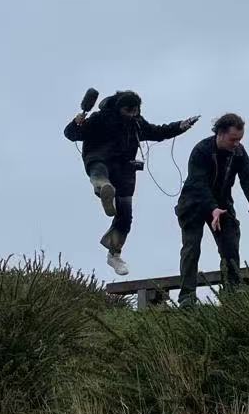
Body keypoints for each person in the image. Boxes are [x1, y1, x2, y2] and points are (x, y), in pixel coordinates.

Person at [64, 90, 198, 276]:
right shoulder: (100, 119)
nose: (132, 114)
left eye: (135, 111)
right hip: (99, 160)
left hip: (124, 172)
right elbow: (71, 134)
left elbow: (159, 132)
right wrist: (76, 122)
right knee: (100, 171)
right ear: (119, 108)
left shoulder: (136, 124)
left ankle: (114, 254)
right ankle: (102, 187)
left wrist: (181, 126)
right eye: (128, 111)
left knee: (125, 216)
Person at [175, 113, 249, 306]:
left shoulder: (238, 152)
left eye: (239, 139)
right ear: (220, 134)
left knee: (230, 243)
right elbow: (198, 183)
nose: (236, 143)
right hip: (194, 203)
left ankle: (231, 294)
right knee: (191, 248)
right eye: (233, 139)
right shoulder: (202, 150)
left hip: (222, 203)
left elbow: (248, 176)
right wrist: (212, 208)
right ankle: (187, 298)